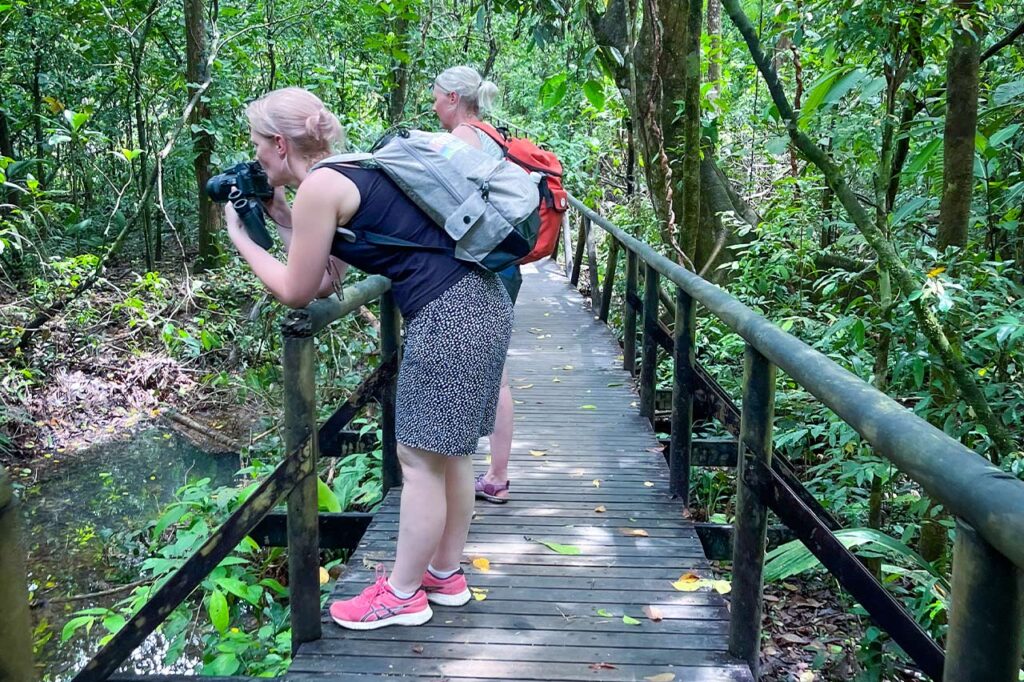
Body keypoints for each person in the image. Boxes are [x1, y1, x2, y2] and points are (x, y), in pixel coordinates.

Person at [225, 87, 513, 629]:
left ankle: (402, 594)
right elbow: (330, 276)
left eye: (259, 144)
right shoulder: (347, 170)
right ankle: (443, 575)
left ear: (281, 144)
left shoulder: (324, 187)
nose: (257, 156)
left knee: (421, 460)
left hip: (450, 316)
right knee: (448, 456)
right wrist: (280, 214)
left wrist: (242, 237)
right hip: (483, 303)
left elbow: (295, 289)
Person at [432, 66, 517, 504]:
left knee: (486, 374)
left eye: (434, 98)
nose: (431, 106)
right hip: (500, 261)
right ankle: (493, 475)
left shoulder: (461, 141)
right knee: (495, 373)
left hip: (482, 262)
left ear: (451, 98)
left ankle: (463, 476)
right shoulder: (490, 136)